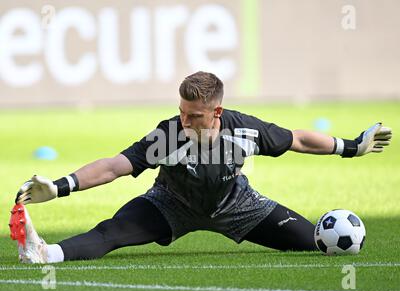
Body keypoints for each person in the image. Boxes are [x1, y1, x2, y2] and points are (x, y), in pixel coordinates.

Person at [12, 71, 392, 264]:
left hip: (238, 206)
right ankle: (43, 253)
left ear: (217, 112)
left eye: (194, 115)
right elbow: (115, 166)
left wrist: (351, 147)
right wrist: (63, 186)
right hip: (170, 204)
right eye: (181, 112)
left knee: (317, 244)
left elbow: (298, 139)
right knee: (111, 232)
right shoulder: (167, 135)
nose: (185, 121)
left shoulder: (245, 129)